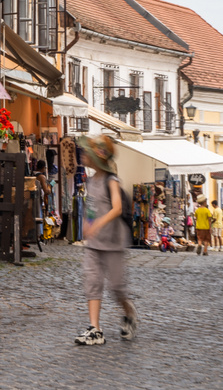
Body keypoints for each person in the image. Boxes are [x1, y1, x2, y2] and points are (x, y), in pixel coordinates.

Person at [73, 134, 138, 346]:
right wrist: (87, 223)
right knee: (92, 281)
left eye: (87, 153)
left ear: (96, 158)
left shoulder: (112, 180)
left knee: (117, 288)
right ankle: (95, 329)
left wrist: (99, 223)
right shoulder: (90, 181)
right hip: (94, 244)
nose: (83, 155)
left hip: (113, 242)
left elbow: (117, 207)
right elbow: (91, 208)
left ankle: (129, 312)